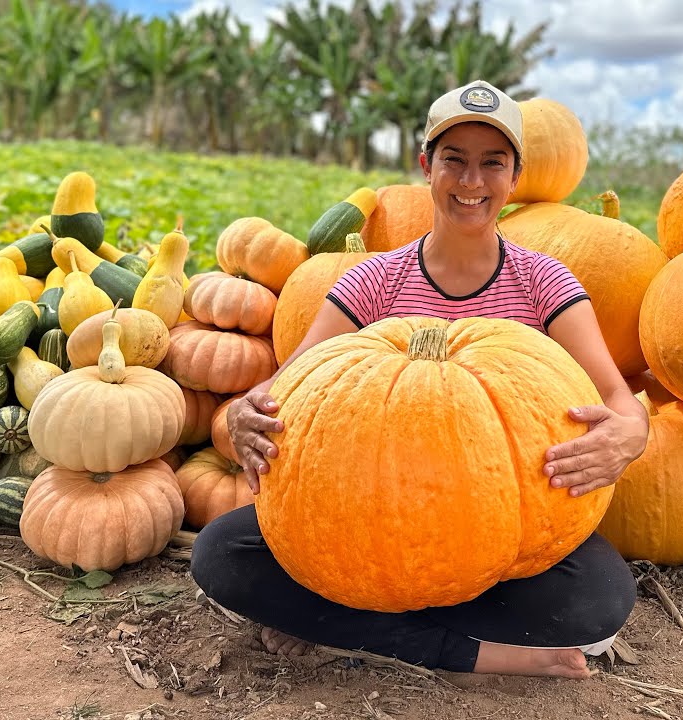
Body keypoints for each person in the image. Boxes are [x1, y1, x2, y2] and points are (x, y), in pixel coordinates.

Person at [191, 79, 648, 679]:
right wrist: (249, 414)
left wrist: (628, 437)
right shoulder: (373, 281)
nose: (471, 182)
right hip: (367, 521)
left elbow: (619, 400)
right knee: (221, 555)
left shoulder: (545, 283)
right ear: (426, 166)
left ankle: (351, 626)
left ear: (515, 177)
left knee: (599, 603)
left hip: (507, 523)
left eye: (492, 163)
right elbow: (287, 385)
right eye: (453, 160)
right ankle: (472, 652)